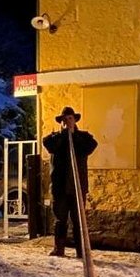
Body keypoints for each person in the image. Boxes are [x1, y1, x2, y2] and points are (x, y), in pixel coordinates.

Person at [42, 106, 97, 258]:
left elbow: (90, 147)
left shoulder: (85, 139)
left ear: (75, 120)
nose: (67, 122)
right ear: (61, 122)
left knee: (79, 220)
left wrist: (74, 135)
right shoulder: (54, 139)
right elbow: (50, 146)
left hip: (77, 187)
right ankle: (59, 249)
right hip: (60, 188)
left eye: (70, 119)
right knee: (60, 220)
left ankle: (82, 251)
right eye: (65, 120)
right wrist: (64, 135)